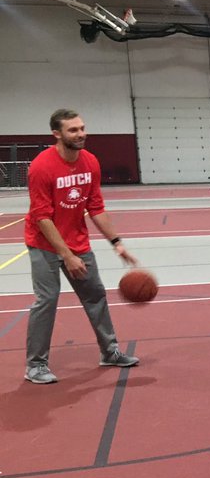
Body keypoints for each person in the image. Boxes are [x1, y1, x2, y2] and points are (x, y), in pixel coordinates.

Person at [23, 109, 140, 384]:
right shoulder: (41, 167)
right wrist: (66, 255)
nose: (81, 134)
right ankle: (35, 366)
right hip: (45, 245)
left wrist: (116, 242)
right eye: (73, 130)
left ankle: (110, 352)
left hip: (78, 242)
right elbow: (42, 217)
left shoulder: (89, 162)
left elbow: (96, 207)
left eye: (82, 128)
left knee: (95, 295)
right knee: (47, 300)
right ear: (57, 134)